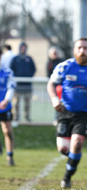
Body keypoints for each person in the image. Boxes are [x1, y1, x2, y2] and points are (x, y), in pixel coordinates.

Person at [47, 37, 87, 188]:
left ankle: (67, 177)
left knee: (77, 142)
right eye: (80, 48)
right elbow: (51, 83)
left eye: (86, 48)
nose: (83, 51)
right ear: (74, 50)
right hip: (65, 112)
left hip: (83, 114)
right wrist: (54, 100)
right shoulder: (65, 67)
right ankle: (74, 159)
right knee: (63, 148)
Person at [10, 42, 36, 125]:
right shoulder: (15, 59)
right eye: (22, 47)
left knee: (27, 103)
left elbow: (33, 69)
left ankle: (27, 117)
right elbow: (11, 70)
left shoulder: (29, 59)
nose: (23, 49)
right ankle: (16, 117)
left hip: (27, 85)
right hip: (17, 86)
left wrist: (29, 76)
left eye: (24, 47)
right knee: (16, 103)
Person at [46, 47, 64, 126]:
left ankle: (60, 118)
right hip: (54, 87)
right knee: (55, 102)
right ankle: (56, 118)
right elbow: (48, 75)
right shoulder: (49, 63)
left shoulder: (61, 62)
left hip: (61, 87)